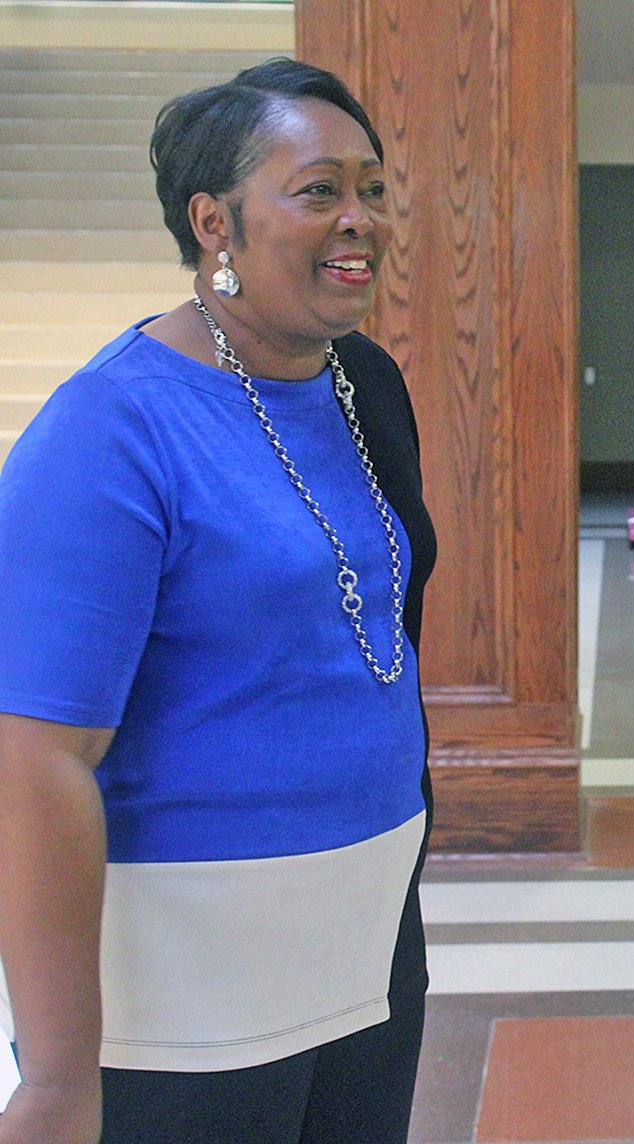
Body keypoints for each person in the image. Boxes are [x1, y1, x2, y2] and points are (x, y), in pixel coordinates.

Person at [0, 58, 435, 1143]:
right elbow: (36, 759)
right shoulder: (112, 428)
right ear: (214, 223)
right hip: (189, 992)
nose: (361, 220)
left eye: (373, 189)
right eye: (320, 190)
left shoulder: (363, 383)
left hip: (369, 940)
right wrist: (56, 1076)